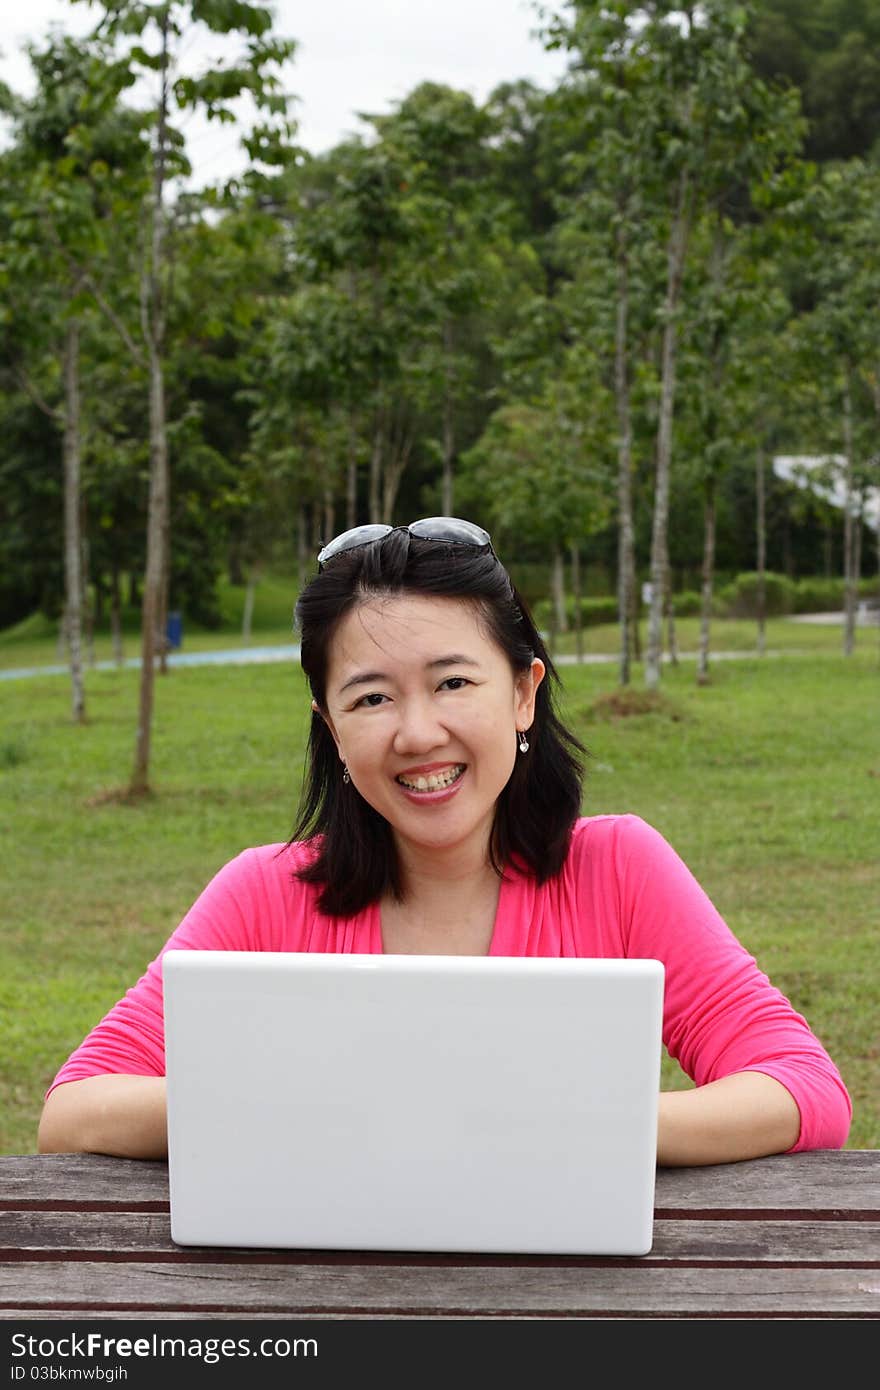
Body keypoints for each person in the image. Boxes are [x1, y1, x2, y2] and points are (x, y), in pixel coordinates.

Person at [38, 516, 852, 1164]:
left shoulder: (619, 870)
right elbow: (75, 1113)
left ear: (524, 692)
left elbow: (803, 1089)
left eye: (454, 683)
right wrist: (307, 1104)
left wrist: (574, 1127)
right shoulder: (263, 893)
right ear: (330, 727)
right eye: (371, 699)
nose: (418, 733)